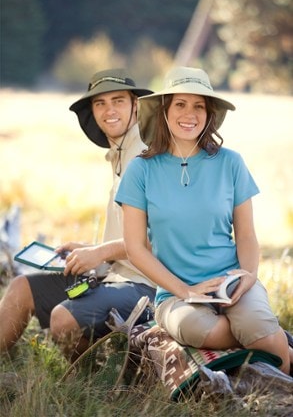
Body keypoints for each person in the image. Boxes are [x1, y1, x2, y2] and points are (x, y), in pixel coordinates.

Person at [115, 66, 291, 374]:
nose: (190, 114)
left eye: (199, 105)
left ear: (209, 113)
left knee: (261, 330)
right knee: (207, 331)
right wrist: (186, 291)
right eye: (180, 104)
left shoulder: (230, 162)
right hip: (175, 294)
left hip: (231, 280)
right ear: (164, 111)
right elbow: (135, 248)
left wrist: (247, 276)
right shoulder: (140, 171)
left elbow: (247, 235)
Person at [0, 68, 156, 361]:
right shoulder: (120, 154)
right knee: (23, 288)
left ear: (136, 104)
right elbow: (129, 232)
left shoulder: (148, 156)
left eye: (118, 100)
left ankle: (97, 386)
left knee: (64, 318)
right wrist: (89, 249)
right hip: (114, 274)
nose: (109, 110)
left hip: (146, 285)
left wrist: (99, 253)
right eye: (100, 103)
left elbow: (159, 239)